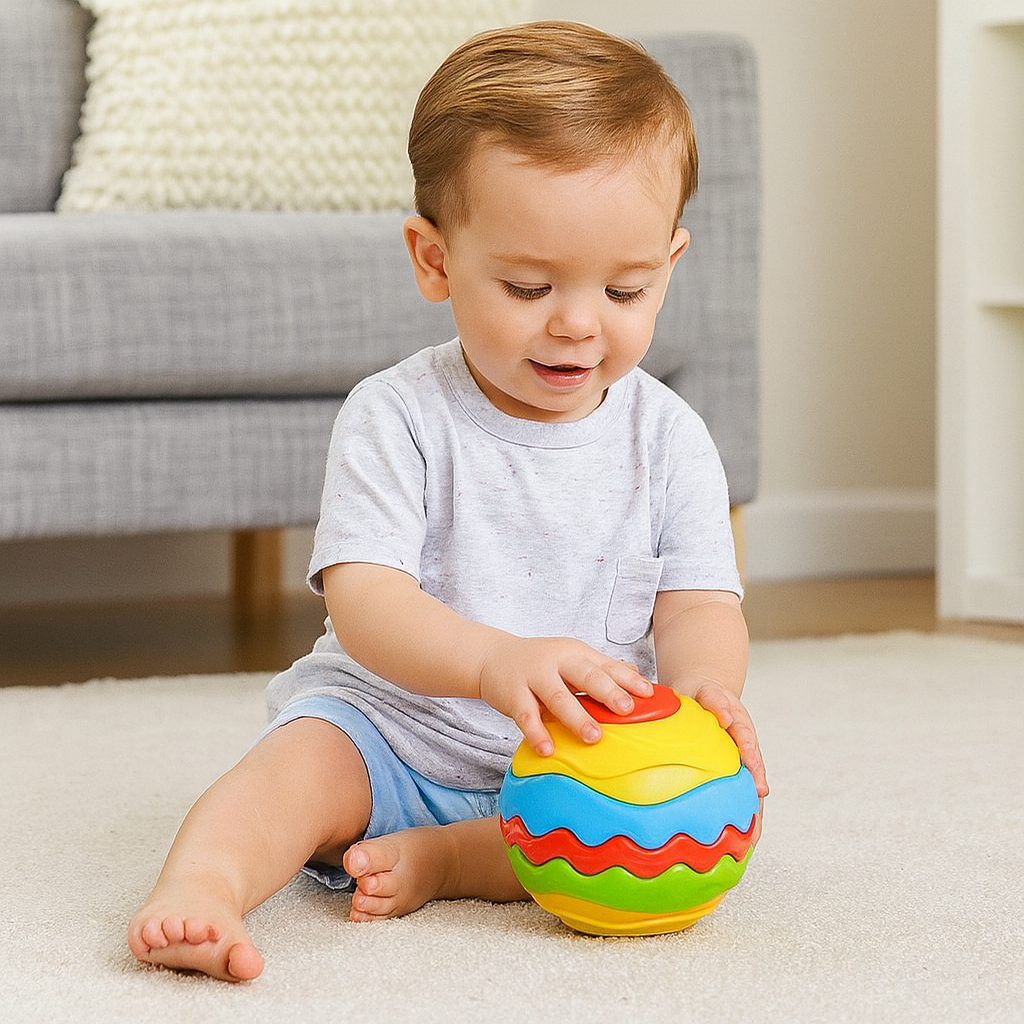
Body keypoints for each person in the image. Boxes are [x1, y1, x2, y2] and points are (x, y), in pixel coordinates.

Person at [127, 20, 769, 983]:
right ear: (433, 259)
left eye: (627, 290)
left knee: (634, 842)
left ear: (669, 264)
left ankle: (452, 861)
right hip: (390, 730)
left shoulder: (669, 436)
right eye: (526, 284)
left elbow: (700, 602)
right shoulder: (399, 415)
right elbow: (365, 598)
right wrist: (493, 662)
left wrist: (704, 693)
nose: (578, 323)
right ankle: (204, 883)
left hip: (569, 764)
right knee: (293, 773)